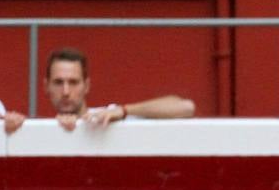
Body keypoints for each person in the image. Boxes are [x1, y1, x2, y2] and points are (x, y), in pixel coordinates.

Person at [43, 47, 195, 131]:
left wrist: (124, 111)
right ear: (46, 86)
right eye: (58, 82)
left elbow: (185, 107)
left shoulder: (109, 116)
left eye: (73, 82)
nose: (65, 91)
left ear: (87, 86)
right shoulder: (41, 127)